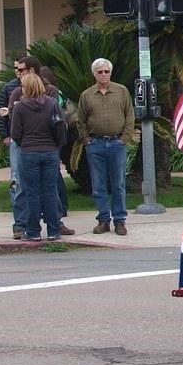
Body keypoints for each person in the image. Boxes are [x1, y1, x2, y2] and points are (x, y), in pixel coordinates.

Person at [77, 58, 135, 235]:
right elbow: (81, 121)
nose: (103, 75)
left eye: (106, 71)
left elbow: (130, 116)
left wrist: (124, 138)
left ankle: (120, 220)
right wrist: (87, 140)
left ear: (110, 72)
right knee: (99, 185)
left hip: (117, 144)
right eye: (100, 72)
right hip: (96, 145)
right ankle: (103, 219)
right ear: (94, 74)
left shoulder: (121, 91)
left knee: (118, 184)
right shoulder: (86, 95)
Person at [9, 73, 63, 241]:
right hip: (50, 151)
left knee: (32, 192)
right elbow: (60, 126)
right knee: (50, 191)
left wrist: (24, 143)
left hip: (29, 151)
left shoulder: (20, 107)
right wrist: (55, 145)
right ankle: (54, 230)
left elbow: (15, 133)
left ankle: (33, 231)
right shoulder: (52, 103)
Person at [0, 57, 29, 239]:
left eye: (21, 69)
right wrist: (5, 135)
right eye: (16, 68)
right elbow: (0, 112)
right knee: (17, 182)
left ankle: (53, 222)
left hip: (38, 144)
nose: (18, 71)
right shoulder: (10, 89)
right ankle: (20, 224)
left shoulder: (43, 89)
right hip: (17, 141)